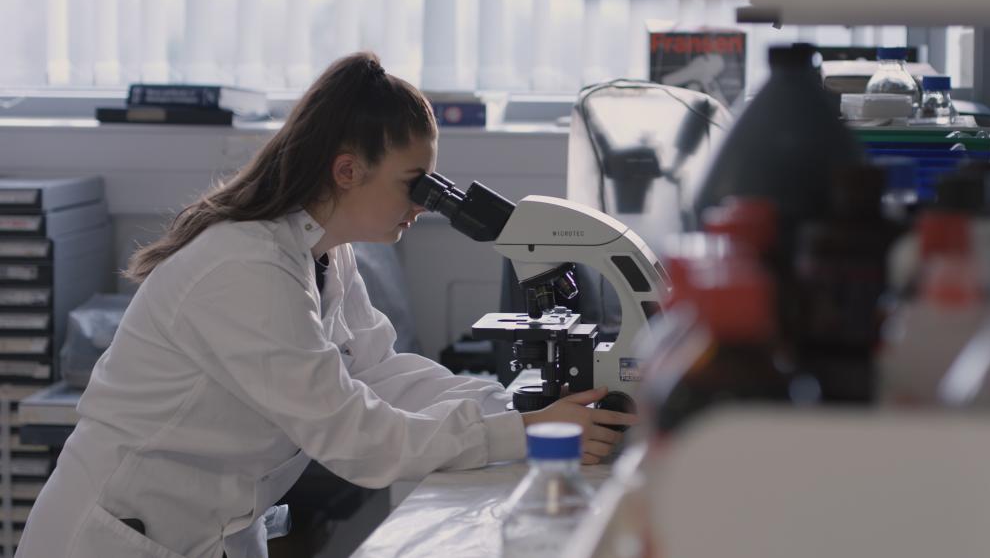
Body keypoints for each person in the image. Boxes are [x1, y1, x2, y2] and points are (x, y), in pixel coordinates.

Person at [18, 53, 635, 558]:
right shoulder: (244, 268)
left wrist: (515, 405)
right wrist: (523, 431)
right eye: (413, 183)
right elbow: (356, 436)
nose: (425, 204)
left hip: (206, 534)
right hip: (119, 538)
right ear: (347, 170)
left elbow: (379, 371)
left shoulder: (323, 253)